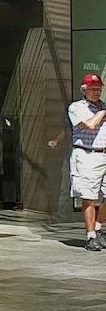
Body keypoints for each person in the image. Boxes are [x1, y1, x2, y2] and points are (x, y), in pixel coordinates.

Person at [66, 73, 106, 251]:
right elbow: (90, 125)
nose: (96, 92)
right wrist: (103, 112)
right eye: (92, 89)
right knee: (89, 196)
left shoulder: (104, 106)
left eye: (98, 89)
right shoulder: (77, 107)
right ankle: (90, 236)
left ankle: (98, 228)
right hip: (87, 155)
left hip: (104, 153)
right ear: (84, 90)